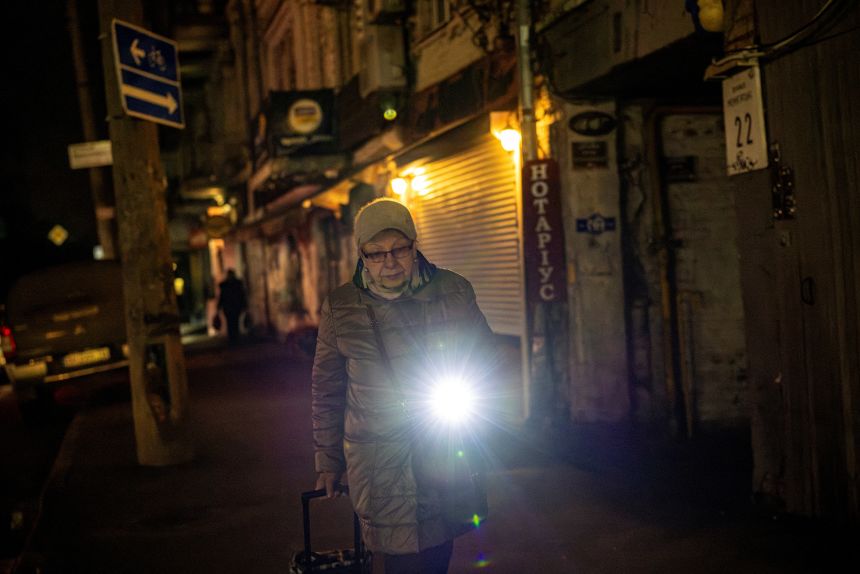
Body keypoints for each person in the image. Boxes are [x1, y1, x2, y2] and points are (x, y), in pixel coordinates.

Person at [311, 198, 495, 574]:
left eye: (398, 250)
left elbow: (485, 357)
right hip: (378, 458)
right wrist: (328, 459)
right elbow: (327, 389)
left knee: (438, 549)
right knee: (401, 557)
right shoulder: (341, 307)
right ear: (361, 255)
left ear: (415, 245)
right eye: (375, 254)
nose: (389, 262)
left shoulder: (454, 291)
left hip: (443, 445)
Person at [216, 269, 247, 344]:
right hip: (230, 307)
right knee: (231, 322)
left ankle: (234, 338)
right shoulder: (227, 286)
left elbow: (241, 296)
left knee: (234, 322)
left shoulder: (233, 285)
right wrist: (219, 307)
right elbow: (222, 297)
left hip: (233, 307)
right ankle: (233, 338)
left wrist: (244, 305)